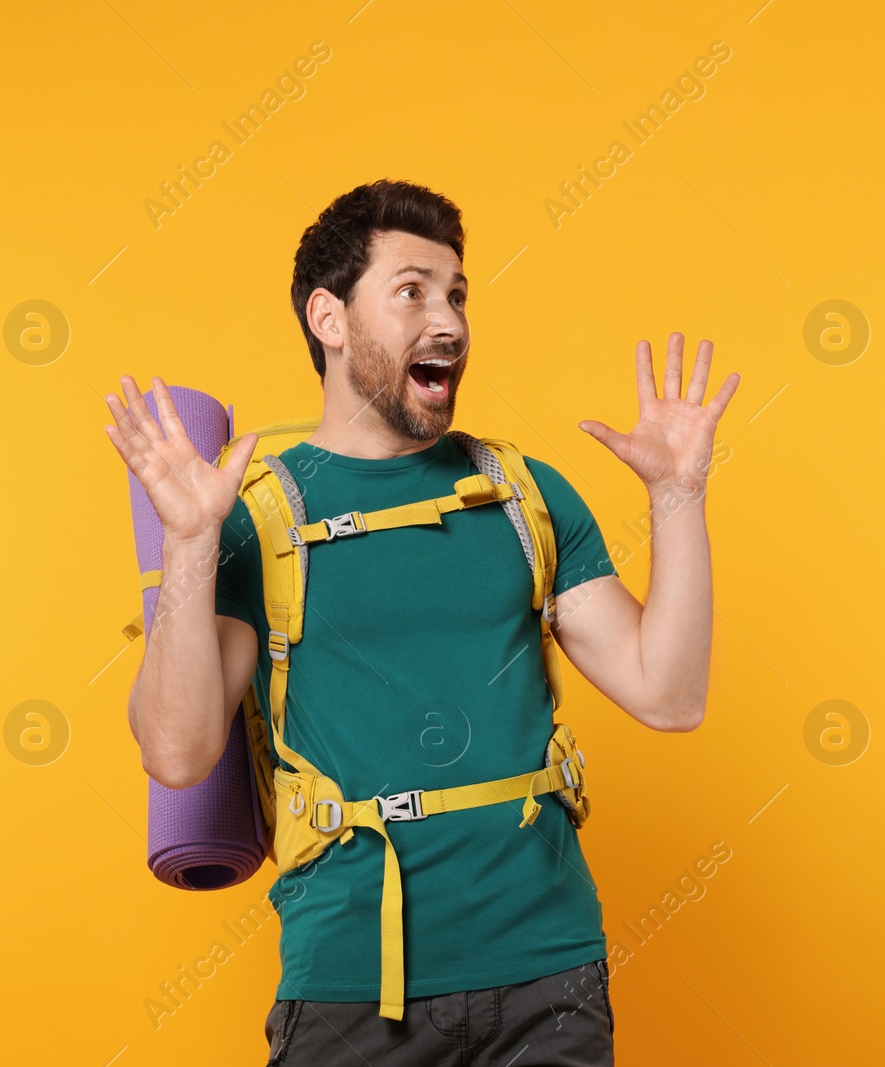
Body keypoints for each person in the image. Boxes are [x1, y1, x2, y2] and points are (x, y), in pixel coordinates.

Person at [102, 179, 739, 1066]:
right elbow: (176, 753)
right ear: (329, 317)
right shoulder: (255, 516)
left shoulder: (526, 496)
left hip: (551, 979)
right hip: (350, 990)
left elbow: (669, 695)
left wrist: (677, 496)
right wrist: (189, 542)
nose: (448, 321)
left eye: (457, 294)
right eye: (412, 291)